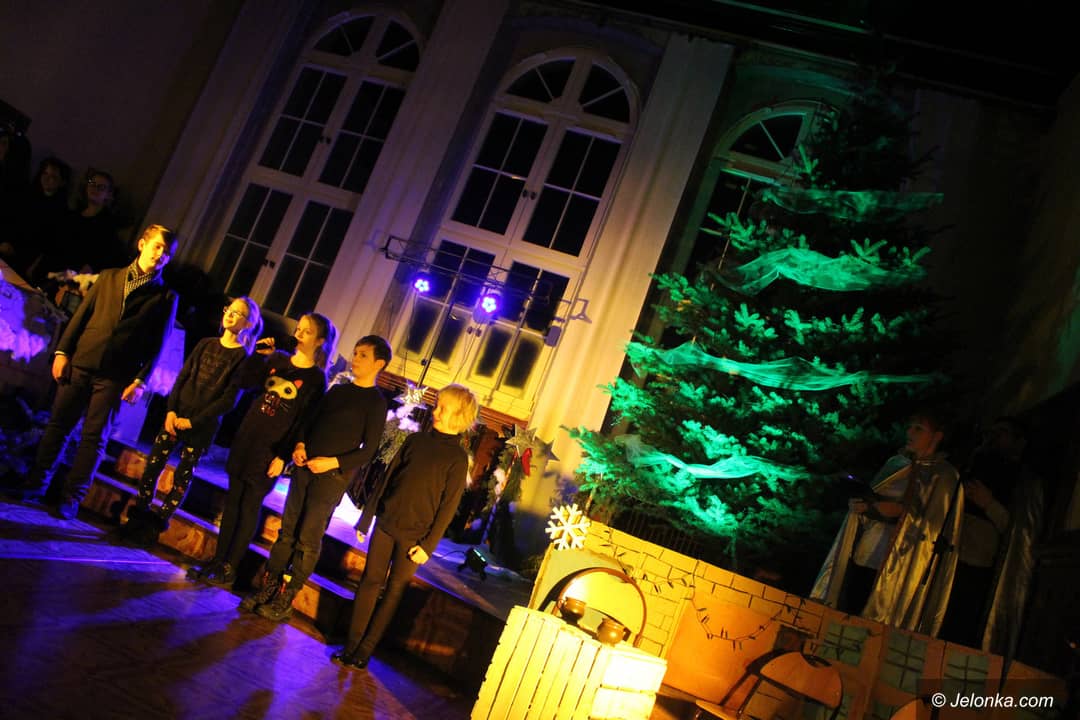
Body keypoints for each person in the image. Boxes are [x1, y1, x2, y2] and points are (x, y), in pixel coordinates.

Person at [3, 224, 178, 520]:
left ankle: (71, 498)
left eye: (167, 253)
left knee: (94, 437)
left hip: (116, 374)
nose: (161, 255)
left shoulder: (165, 297)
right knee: (58, 425)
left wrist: (140, 380)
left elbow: (158, 343)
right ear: (142, 244)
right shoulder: (109, 277)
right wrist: (63, 352)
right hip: (83, 360)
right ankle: (35, 485)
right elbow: (82, 316)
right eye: (157, 247)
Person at [243, 335, 390, 621]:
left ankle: (287, 596)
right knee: (287, 530)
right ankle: (268, 587)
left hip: (331, 477)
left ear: (379, 364)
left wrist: (332, 463)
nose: (355, 358)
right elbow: (309, 421)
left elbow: (368, 451)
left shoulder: (375, 403)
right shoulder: (338, 391)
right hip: (305, 468)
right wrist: (300, 445)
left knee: (308, 538)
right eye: (355, 352)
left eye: (363, 355)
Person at [332, 384, 478, 671]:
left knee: (394, 591)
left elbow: (447, 508)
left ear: (459, 416)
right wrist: (366, 518)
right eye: (436, 405)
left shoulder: (458, 459)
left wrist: (427, 546)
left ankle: (364, 652)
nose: (435, 411)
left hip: (415, 538)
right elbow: (385, 481)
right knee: (370, 581)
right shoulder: (415, 441)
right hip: (386, 524)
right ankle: (351, 645)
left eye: (443, 408)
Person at [188, 312, 335, 587]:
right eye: (299, 329)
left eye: (307, 331)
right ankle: (218, 560)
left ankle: (230, 567)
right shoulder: (278, 359)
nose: (299, 334)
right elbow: (245, 382)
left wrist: (282, 456)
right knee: (233, 501)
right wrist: (258, 356)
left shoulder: (316, 379)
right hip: (248, 437)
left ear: (320, 341)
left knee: (249, 505)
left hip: (272, 448)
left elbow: (304, 422)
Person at [120, 297, 262, 547]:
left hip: (201, 426)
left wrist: (194, 422)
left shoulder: (242, 358)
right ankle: (139, 514)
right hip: (176, 417)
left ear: (248, 324)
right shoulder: (205, 344)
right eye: (228, 309)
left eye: (237, 313)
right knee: (153, 466)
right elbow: (183, 377)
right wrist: (171, 411)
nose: (229, 314)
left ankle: (157, 524)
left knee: (182, 476)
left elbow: (228, 400)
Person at [811, 409, 963, 637]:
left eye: (918, 429)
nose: (909, 432)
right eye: (909, 427)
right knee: (849, 615)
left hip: (902, 565)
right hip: (869, 553)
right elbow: (873, 497)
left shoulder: (944, 476)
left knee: (875, 631)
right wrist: (863, 507)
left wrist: (899, 512)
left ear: (937, 436)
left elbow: (933, 525)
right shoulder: (896, 463)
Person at [940, 416, 1044, 654]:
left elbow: (1021, 534)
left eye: (1003, 432)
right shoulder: (977, 464)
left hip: (982, 568)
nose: (995, 437)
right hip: (953, 554)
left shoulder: (1024, 482)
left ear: (1019, 441)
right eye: (993, 432)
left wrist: (989, 504)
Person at [0, 156, 69, 280]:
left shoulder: (61, 211)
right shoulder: (27, 196)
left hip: (29, 263)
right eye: (45, 173)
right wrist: (5, 241)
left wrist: (34, 267)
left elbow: (50, 245)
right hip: (9, 251)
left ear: (62, 182)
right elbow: (12, 221)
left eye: (53, 176)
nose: (47, 178)